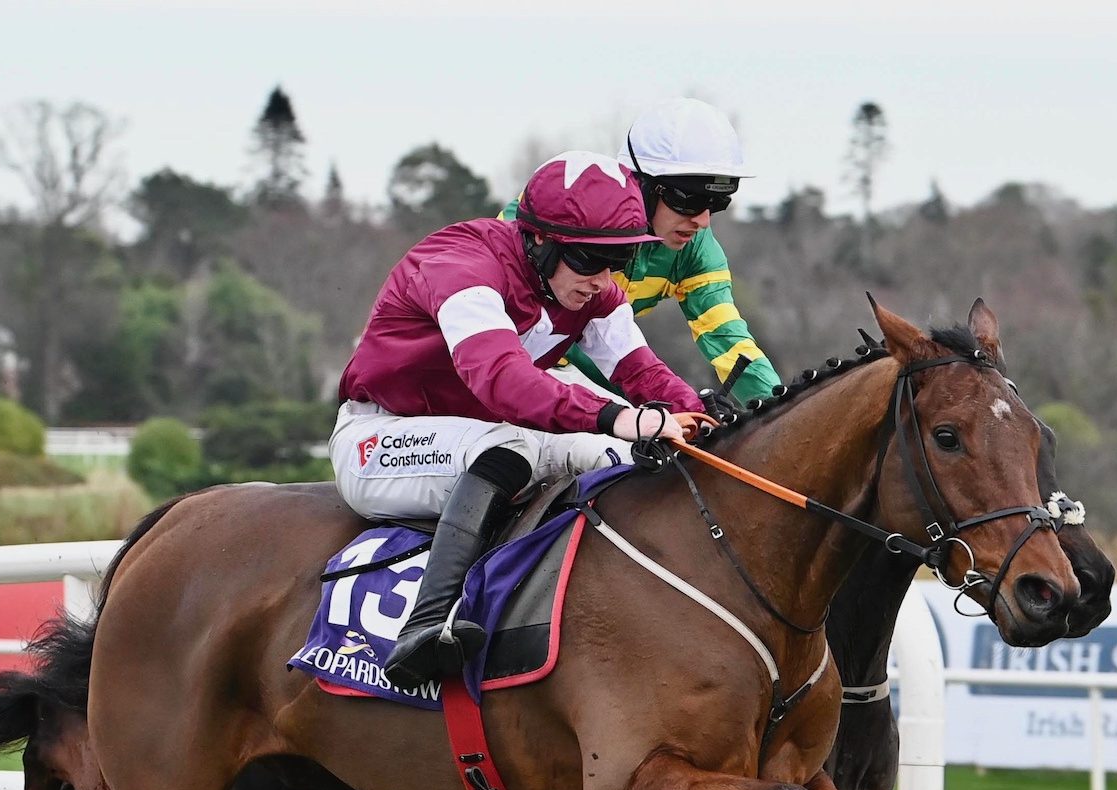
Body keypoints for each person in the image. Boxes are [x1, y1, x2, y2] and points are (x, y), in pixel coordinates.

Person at [333, 151, 710, 689]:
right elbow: (504, 382)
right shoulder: (461, 265)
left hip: (489, 434)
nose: (602, 279)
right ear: (538, 240)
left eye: (619, 260)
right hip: (379, 440)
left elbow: (641, 371)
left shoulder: (591, 291)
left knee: (628, 458)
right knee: (507, 450)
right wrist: (617, 416)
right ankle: (425, 626)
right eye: (589, 259)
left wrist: (698, 417)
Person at [499, 98, 781, 402]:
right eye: (690, 201)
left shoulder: (697, 250)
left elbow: (728, 339)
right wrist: (661, 402)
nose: (702, 221)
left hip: (578, 376)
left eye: (717, 203)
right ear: (642, 185)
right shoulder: (559, 205)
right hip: (499, 368)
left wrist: (779, 411)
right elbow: (575, 338)